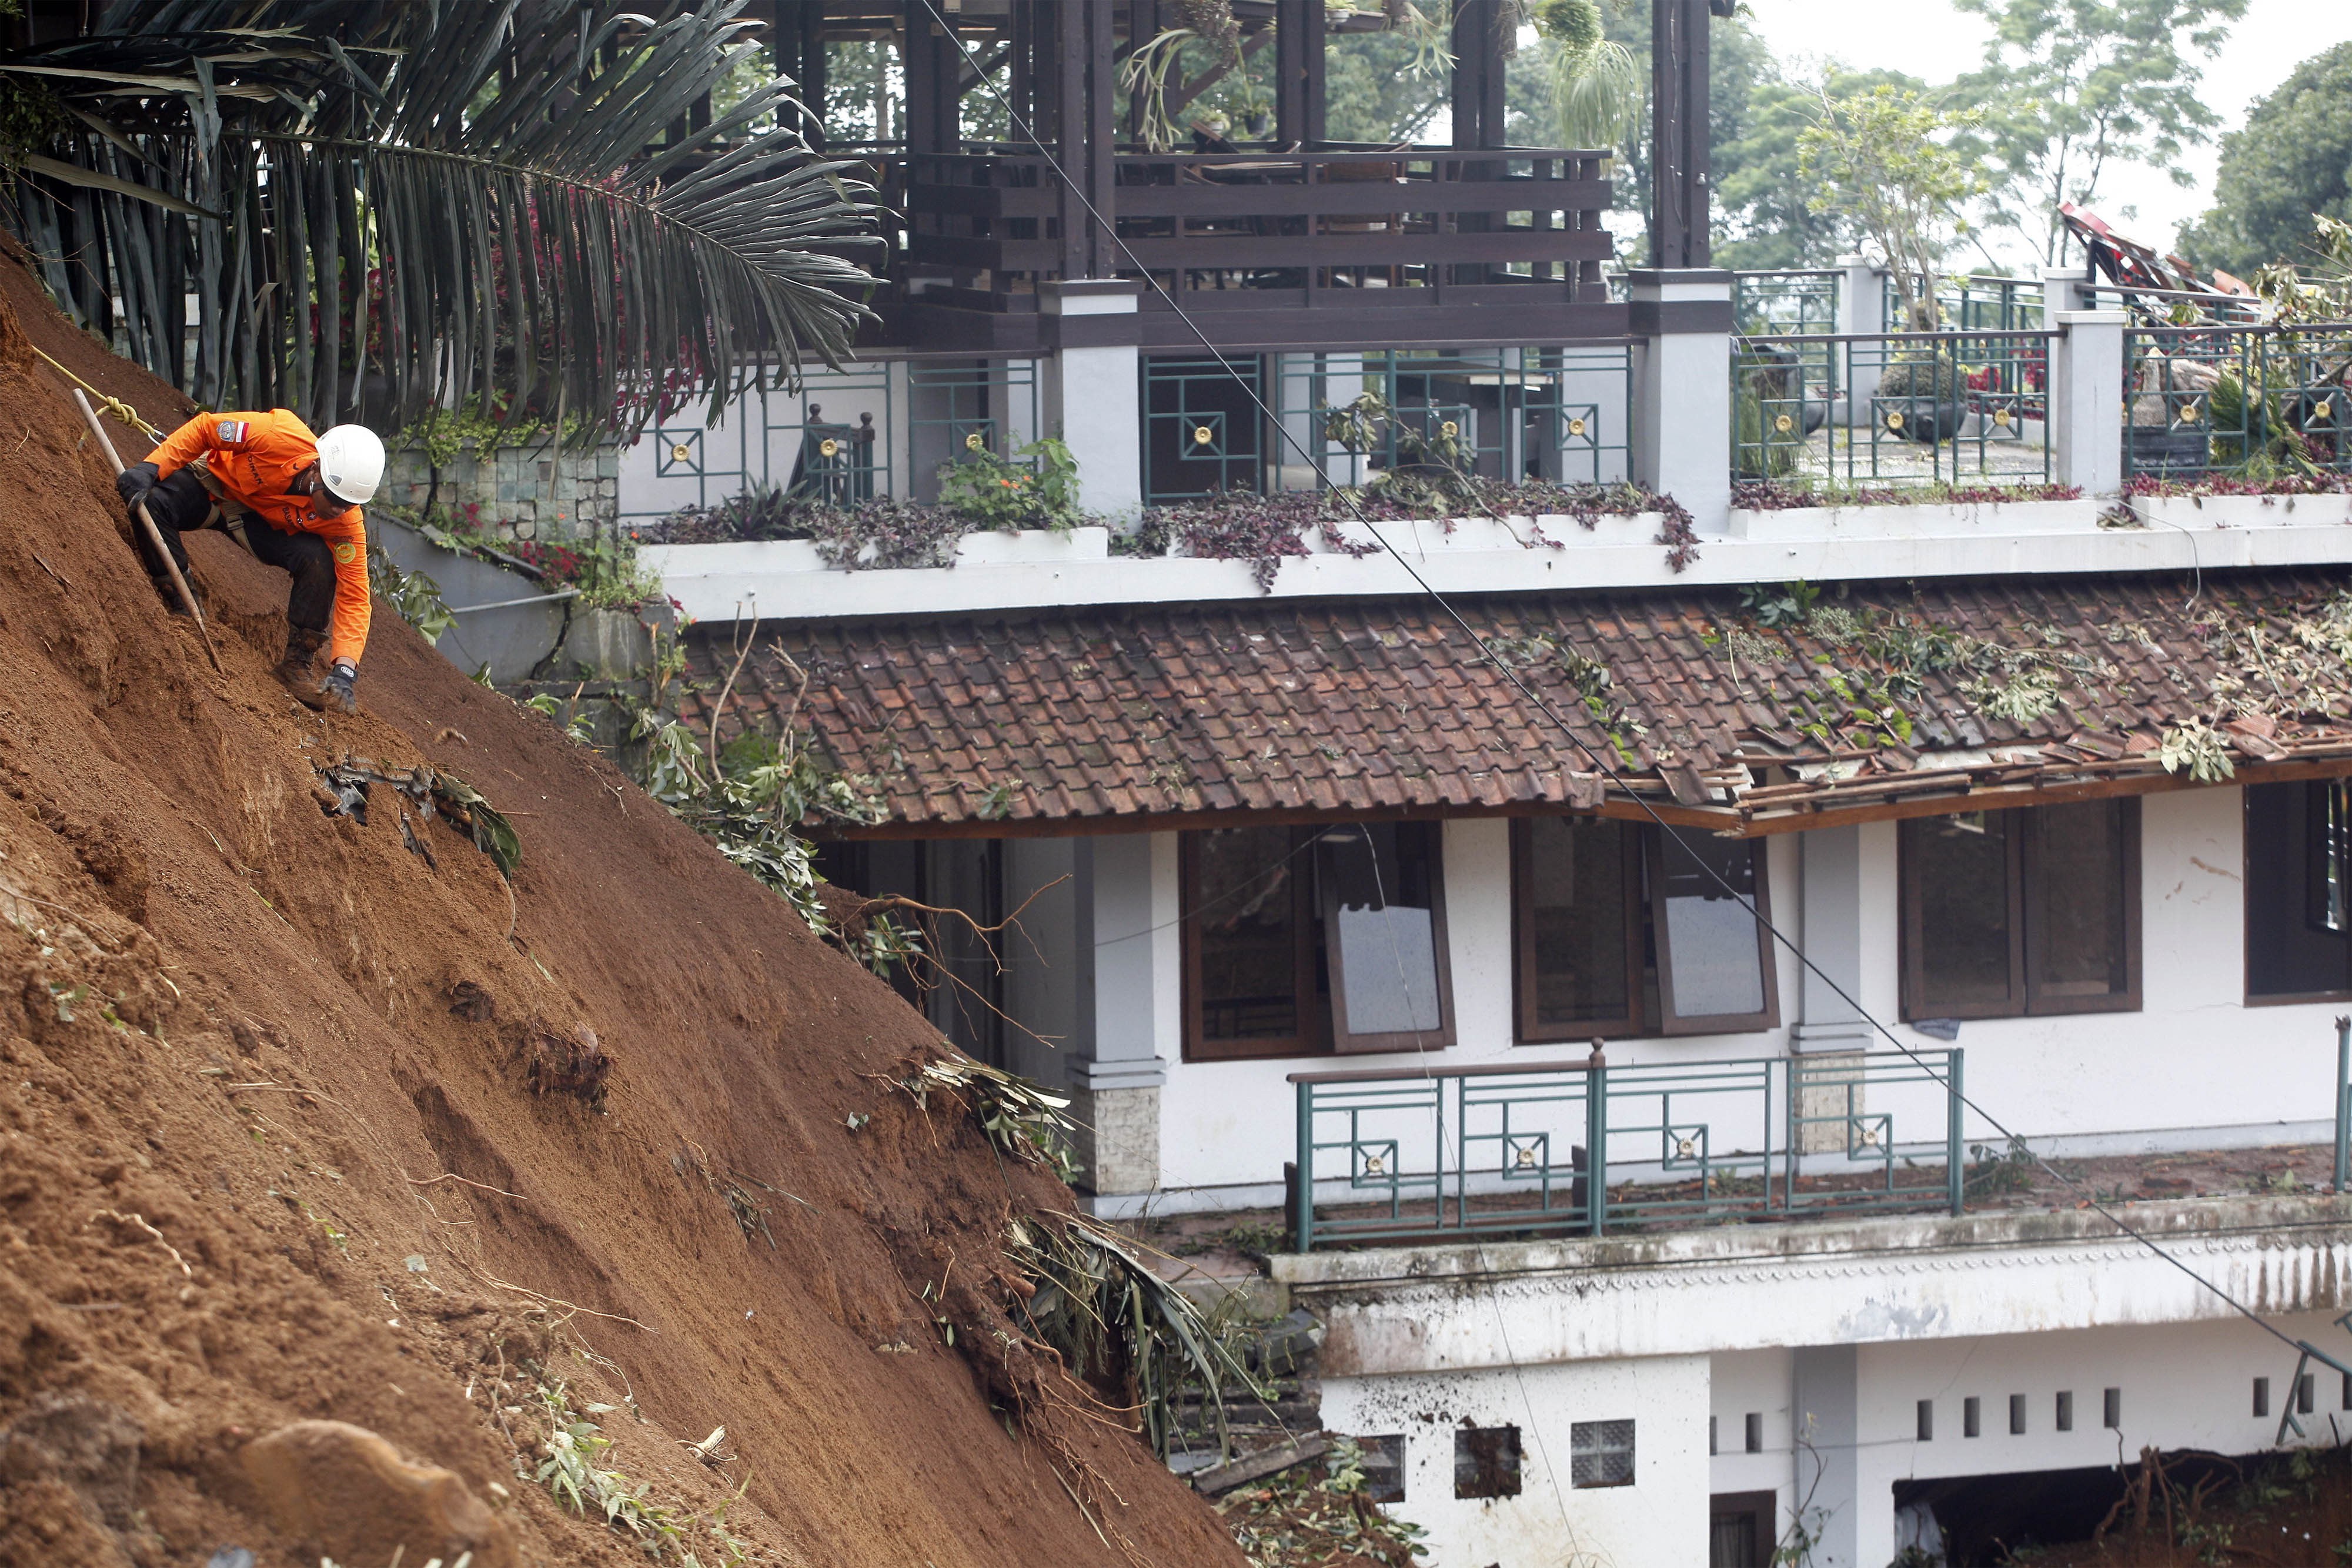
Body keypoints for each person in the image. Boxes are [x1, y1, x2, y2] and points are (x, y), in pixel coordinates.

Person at [116, 410, 386, 713]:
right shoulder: (277, 434)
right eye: (335, 499)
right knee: (150, 503)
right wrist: (150, 468)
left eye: (349, 504)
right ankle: (182, 603)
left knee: (320, 560)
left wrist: (345, 671)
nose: (339, 511)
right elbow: (206, 429)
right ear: (317, 470)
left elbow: (355, 597)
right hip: (210, 487)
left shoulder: (347, 525)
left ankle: (297, 664)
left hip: (257, 527)